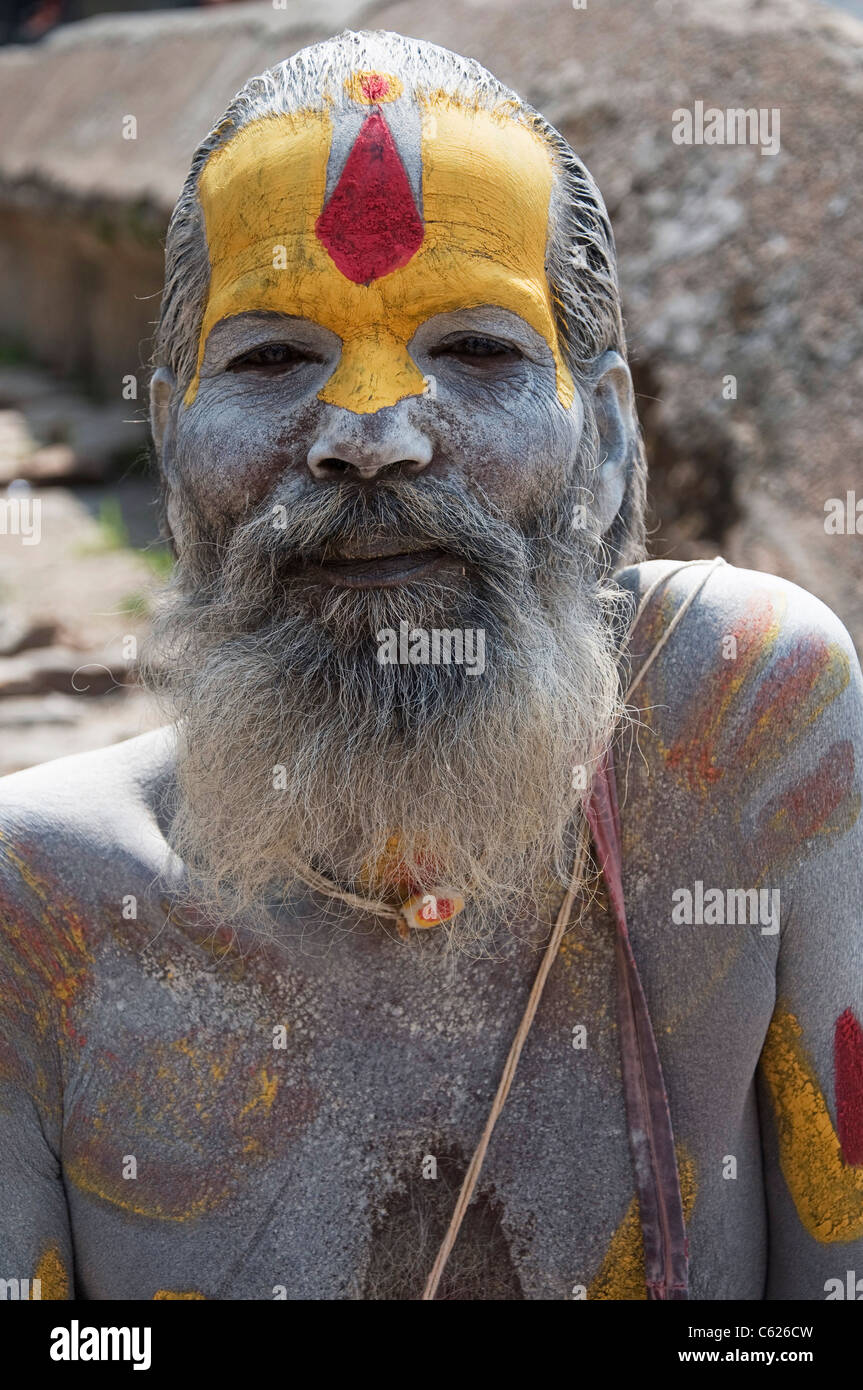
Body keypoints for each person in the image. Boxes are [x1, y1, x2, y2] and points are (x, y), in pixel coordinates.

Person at [1, 29, 861, 1301]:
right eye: (272, 356)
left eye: (477, 350)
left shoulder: (740, 725)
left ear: (609, 438)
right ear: (170, 440)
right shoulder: (46, 913)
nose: (373, 433)